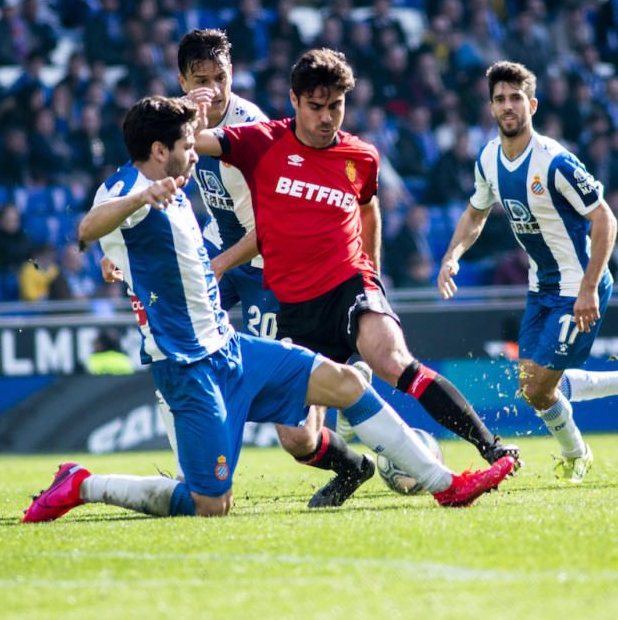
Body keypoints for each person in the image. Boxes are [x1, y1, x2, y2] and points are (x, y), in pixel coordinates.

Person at [22, 96, 515, 522]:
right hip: (189, 369)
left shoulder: (173, 185)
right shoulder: (127, 189)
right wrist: (140, 201)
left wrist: (120, 257)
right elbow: (87, 229)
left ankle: (445, 485)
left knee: (347, 383)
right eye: (186, 147)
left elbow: (124, 249)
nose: (195, 154)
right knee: (209, 506)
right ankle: (82, 484)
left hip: (232, 349)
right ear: (158, 152)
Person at [187, 48, 520, 507]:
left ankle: (492, 447)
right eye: (316, 107)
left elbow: (368, 208)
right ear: (294, 101)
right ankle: (354, 468)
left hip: (349, 286)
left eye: (336, 106)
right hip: (296, 309)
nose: (327, 118)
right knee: (297, 438)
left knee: (393, 361)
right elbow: (191, 144)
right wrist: (193, 113)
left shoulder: (360, 156)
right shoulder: (260, 142)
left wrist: (373, 276)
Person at [100, 30, 369, 507]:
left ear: (233, 75)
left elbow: (270, 228)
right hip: (220, 252)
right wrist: (119, 248)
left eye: (221, 77)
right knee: (169, 341)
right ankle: (192, 468)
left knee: (296, 437)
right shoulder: (181, 130)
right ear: (182, 80)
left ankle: (354, 455)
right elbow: (160, 192)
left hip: (265, 267)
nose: (214, 89)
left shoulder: (251, 132)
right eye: (201, 79)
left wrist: (217, 265)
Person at [437, 61, 618, 483]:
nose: (508, 106)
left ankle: (576, 453)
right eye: (500, 99)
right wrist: (453, 254)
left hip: (579, 285)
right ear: (490, 108)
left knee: (542, 387)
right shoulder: (488, 158)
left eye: (516, 98)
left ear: (533, 104)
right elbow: (475, 212)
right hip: (540, 286)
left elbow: (605, 220)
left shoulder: (555, 162)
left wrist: (589, 288)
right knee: (533, 386)